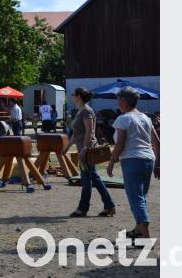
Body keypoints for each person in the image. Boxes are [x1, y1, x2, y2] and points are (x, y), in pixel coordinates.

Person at [107, 87, 160, 241]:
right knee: (141, 197)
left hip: (132, 160)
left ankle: (145, 234)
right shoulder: (146, 118)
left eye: (118, 100)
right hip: (148, 160)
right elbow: (157, 142)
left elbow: (120, 143)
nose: (118, 103)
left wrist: (111, 162)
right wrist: (158, 164)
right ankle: (137, 230)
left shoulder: (123, 119)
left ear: (124, 101)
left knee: (135, 198)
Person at [63, 87, 115, 217]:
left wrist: (85, 149)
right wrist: (67, 147)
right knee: (92, 179)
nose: (72, 95)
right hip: (83, 149)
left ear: (79, 96)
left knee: (89, 179)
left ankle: (84, 208)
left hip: (88, 150)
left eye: (73, 94)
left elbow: (89, 131)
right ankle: (108, 206)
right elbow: (76, 134)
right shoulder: (81, 111)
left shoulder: (86, 111)